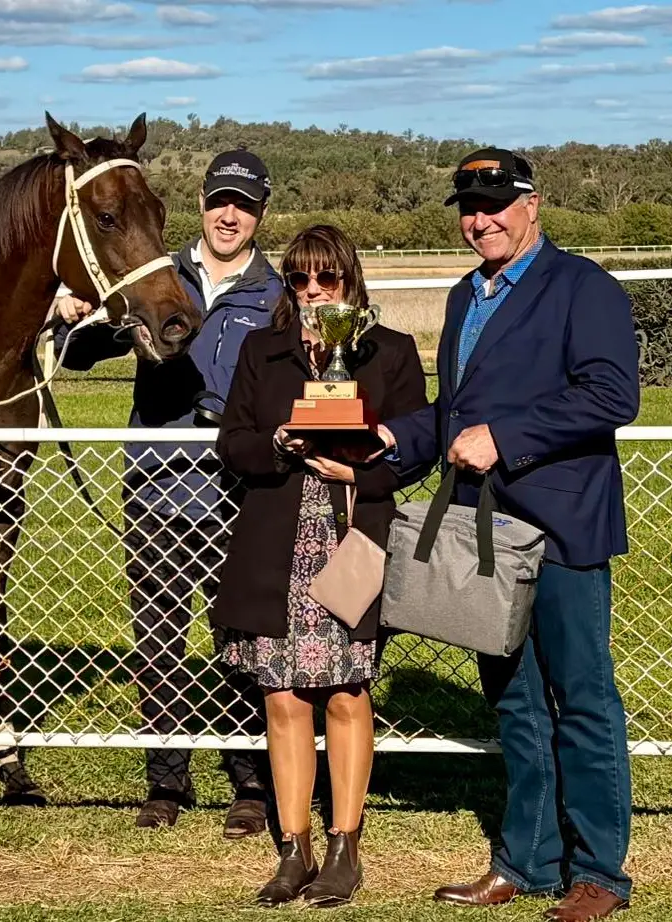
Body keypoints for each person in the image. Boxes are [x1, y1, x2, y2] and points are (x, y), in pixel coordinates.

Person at [376, 149, 639, 922]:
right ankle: (526, 861)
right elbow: (456, 412)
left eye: (493, 203)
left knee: (581, 699)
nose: (479, 219)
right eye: (467, 206)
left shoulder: (582, 286)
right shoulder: (465, 294)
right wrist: (391, 439)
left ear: (532, 204)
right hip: (484, 532)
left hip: (560, 527)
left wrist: (506, 437)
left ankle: (598, 874)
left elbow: (611, 394)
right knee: (516, 705)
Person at [51, 148, 283, 832]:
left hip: (238, 495)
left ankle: (250, 781)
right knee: (157, 641)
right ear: (201, 204)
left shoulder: (274, 294)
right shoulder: (156, 274)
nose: (229, 216)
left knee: (240, 641)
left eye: (244, 206)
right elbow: (80, 354)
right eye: (220, 201)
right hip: (156, 489)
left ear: (259, 214)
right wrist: (73, 317)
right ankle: (166, 780)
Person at [211, 225, 428, 906]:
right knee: (280, 697)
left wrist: (361, 469)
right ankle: (293, 847)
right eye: (299, 279)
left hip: (351, 537)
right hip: (274, 543)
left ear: (349, 280)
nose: (312, 290)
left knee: (345, 692)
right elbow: (232, 443)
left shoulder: (389, 350)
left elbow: (419, 446)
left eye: (326, 278)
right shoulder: (262, 350)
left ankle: (343, 846)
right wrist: (277, 443)